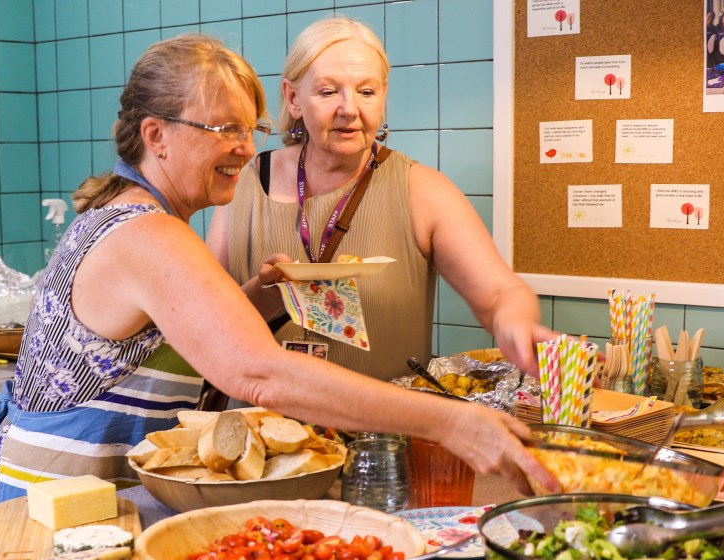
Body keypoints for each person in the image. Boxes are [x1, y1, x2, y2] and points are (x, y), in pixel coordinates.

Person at [0, 33, 556, 533]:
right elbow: (258, 372)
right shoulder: (147, 234)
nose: (246, 149)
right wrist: (450, 420)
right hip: (45, 516)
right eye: (222, 128)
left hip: (77, 506)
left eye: (250, 128)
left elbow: (163, 338)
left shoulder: (129, 215)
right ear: (156, 134)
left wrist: (251, 299)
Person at [207, 16, 559, 383]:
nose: (349, 108)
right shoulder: (245, 181)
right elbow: (205, 315)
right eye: (328, 92)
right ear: (293, 98)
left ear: (383, 95)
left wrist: (515, 323)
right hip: (256, 430)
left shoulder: (423, 190)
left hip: (378, 438)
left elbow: (501, 293)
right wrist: (260, 294)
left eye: (367, 92)